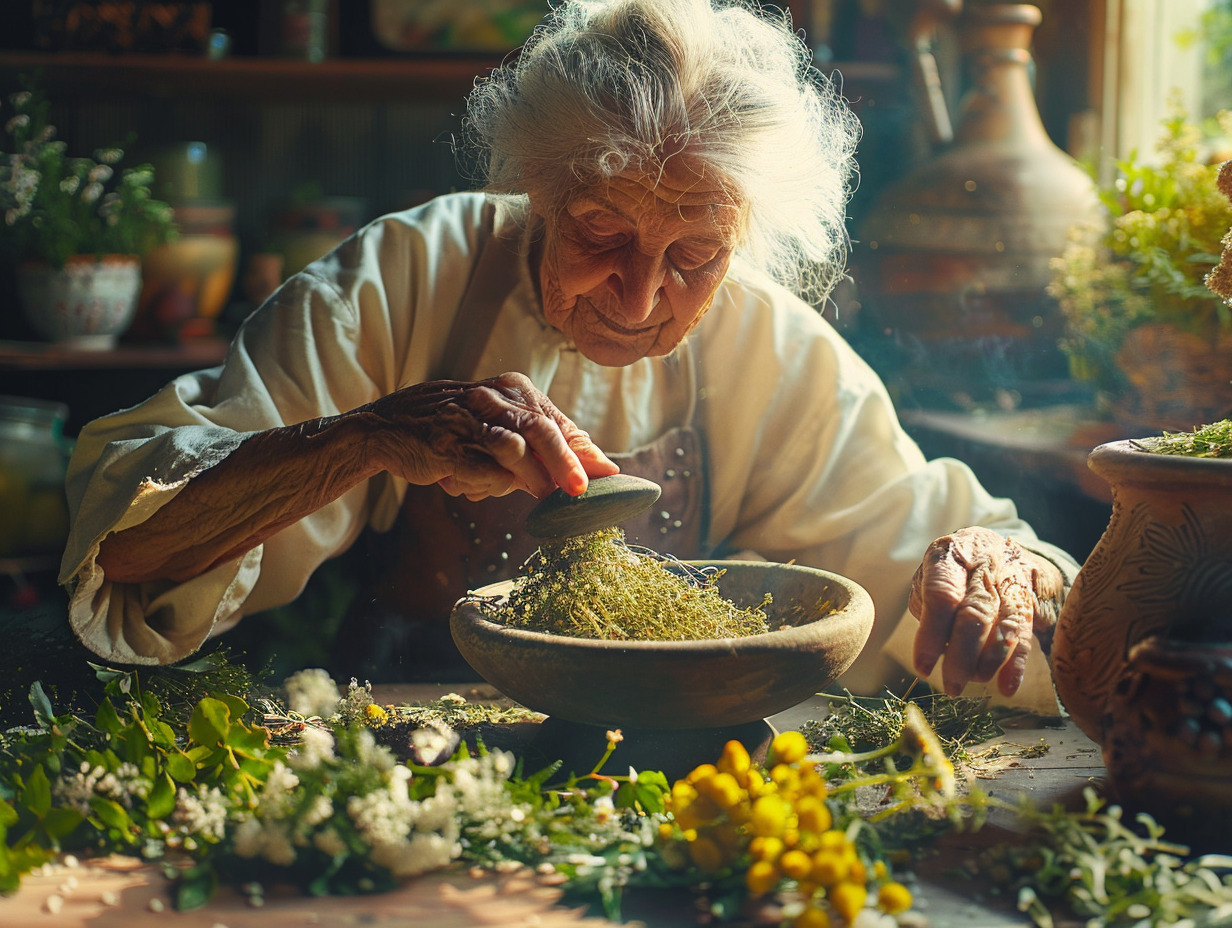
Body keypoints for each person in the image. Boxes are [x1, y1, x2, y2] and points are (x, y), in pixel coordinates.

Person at [61, 0, 1075, 706]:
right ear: (535, 191)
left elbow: (945, 555)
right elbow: (132, 551)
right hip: (392, 751)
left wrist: (1003, 566)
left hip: (649, 786)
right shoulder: (407, 276)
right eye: (600, 235)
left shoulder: (769, 344)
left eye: (693, 256)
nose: (640, 297)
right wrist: (358, 440)